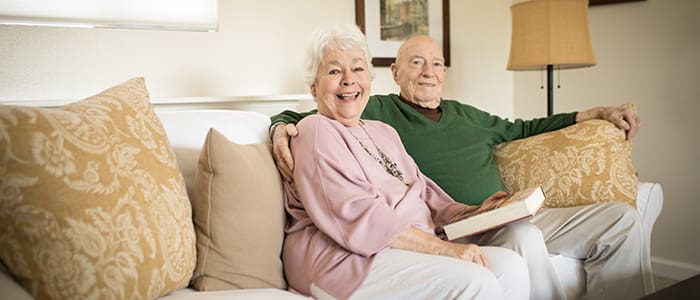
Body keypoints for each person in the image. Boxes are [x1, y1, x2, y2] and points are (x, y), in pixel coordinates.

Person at [271, 34, 654, 300]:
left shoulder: (415, 125)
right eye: (416, 62)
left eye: (436, 63)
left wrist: (592, 114)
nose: (428, 71)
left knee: (617, 219)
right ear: (394, 74)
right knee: (520, 243)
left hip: (487, 215)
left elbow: (522, 130)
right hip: (429, 237)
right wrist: (278, 128)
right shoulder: (373, 108)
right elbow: (312, 116)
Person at [283, 24, 532, 300]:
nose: (348, 80)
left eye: (357, 68)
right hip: (345, 259)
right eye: (334, 71)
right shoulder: (316, 130)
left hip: (405, 247)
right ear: (314, 87)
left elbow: (426, 194)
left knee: (512, 266)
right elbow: (358, 216)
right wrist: (444, 249)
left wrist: (477, 211)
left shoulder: (383, 131)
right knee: (475, 281)